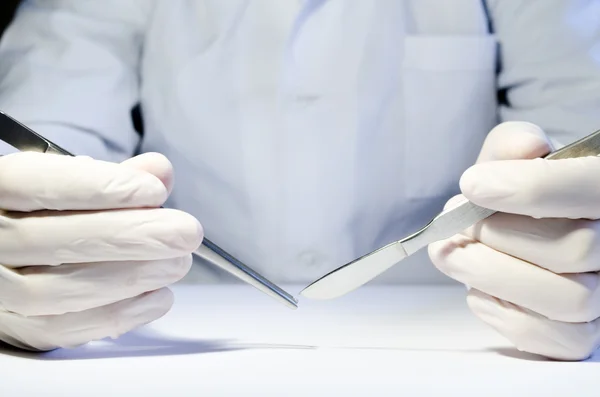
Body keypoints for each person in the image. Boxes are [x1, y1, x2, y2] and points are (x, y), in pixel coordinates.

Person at [0, 0, 599, 361]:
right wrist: (29, 239)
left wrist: (577, 248)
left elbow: (584, 126)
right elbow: (51, 118)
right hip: (166, 324)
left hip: (473, 335)